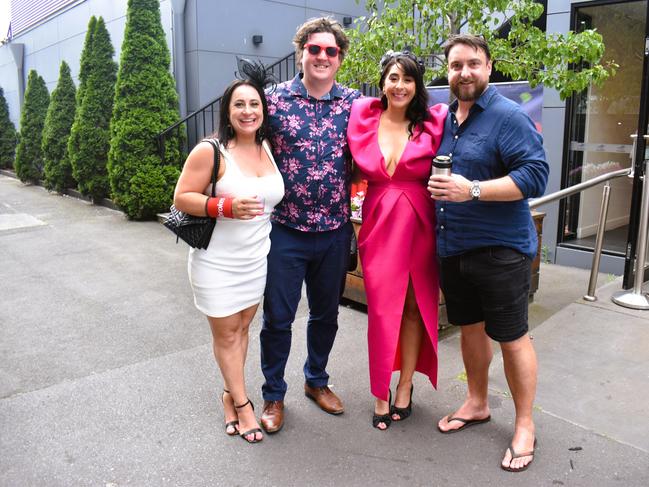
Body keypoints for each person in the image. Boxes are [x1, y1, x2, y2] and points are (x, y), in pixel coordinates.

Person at [427, 34, 548, 471]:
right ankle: (477, 402)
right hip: (454, 248)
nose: (464, 72)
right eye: (456, 65)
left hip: (500, 252)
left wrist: (472, 189)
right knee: (471, 330)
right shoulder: (443, 120)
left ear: (489, 66)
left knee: (512, 337)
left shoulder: (508, 116)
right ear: (448, 70)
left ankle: (525, 425)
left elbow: (535, 176)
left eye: (473, 64)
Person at [173, 60, 284, 444]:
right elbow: (181, 197)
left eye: (254, 104)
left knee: (241, 329)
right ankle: (242, 405)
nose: (248, 111)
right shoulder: (211, 150)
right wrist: (224, 206)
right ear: (228, 110)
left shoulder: (268, 147)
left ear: (263, 110)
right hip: (216, 262)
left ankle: (227, 393)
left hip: (256, 260)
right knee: (226, 334)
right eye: (240, 105)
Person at [259, 17, 361, 434]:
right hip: (286, 230)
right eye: (314, 49)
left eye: (330, 51)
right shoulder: (272, 100)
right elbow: (240, 139)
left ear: (340, 58)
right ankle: (273, 394)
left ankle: (316, 381)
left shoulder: (355, 103)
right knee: (278, 318)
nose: (322, 56)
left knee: (326, 315)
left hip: (335, 231)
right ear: (301, 51)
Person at [347, 51, 447, 430]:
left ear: (417, 85)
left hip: (420, 219)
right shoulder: (363, 116)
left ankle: (404, 385)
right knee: (381, 308)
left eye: (407, 79)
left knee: (412, 306)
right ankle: (379, 391)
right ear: (383, 82)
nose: (399, 85)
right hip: (378, 220)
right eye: (393, 77)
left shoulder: (433, 122)